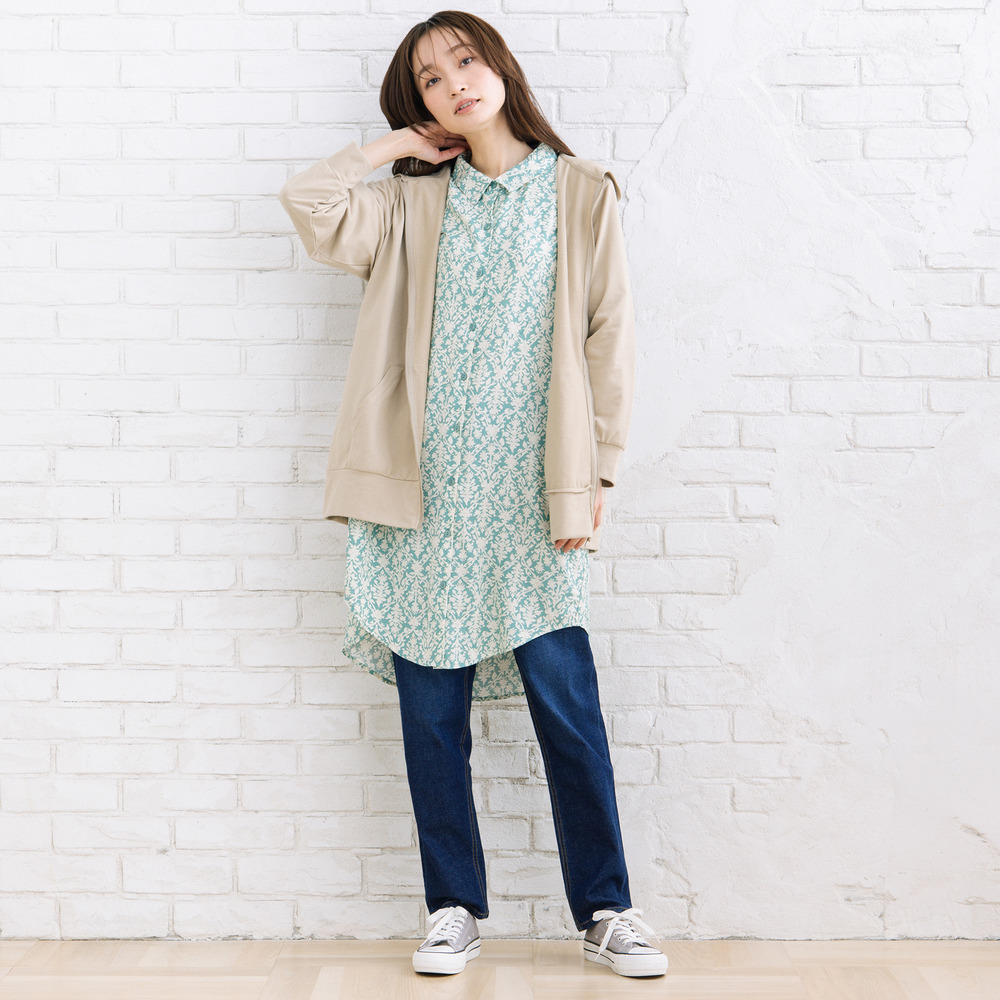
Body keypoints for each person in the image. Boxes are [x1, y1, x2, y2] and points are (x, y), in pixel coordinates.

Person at [278, 9, 667, 980]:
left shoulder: (580, 192)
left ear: (500, 65)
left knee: (567, 709)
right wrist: (394, 147)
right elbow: (310, 202)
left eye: (464, 59)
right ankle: (452, 907)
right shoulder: (409, 204)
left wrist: (601, 469)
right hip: (422, 499)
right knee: (431, 719)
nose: (453, 81)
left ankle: (607, 908)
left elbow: (610, 338)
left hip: (533, 496)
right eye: (429, 77)